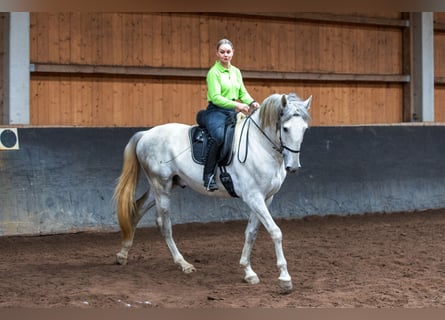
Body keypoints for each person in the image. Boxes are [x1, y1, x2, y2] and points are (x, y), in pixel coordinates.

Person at [202, 38, 260, 191]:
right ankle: (208, 176)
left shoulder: (236, 71)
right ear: (217, 53)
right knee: (218, 137)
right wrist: (238, 105)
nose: (225, 55)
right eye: (222, 52)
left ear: (232, 53)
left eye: (228, 52)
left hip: (231, 112)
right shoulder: (213, 73)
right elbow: (216, 97)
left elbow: (242, 92)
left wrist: (252, 101)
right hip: (216, 111)